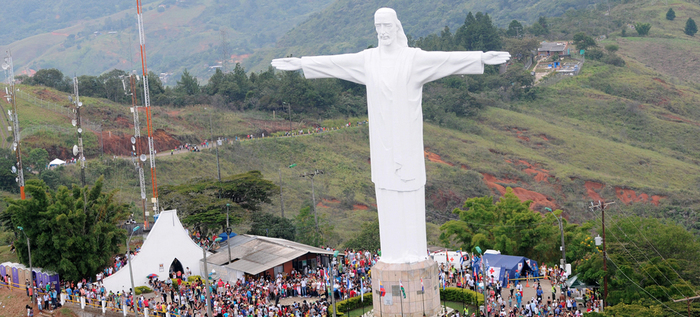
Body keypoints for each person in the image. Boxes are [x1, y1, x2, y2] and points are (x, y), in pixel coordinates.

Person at [272, 7, 509, 264]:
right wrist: (301, 64)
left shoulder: (413, 59)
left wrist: (481, 58)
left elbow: (446, 60)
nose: (383, 32)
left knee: (410, 191)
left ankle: (416, 253)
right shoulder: (368, 60)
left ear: (396, 27)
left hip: (407, 140)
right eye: (378, 26)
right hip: (382, 141)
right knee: (386, 192)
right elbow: (335, 63)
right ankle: (393, 254)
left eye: (387, 26)